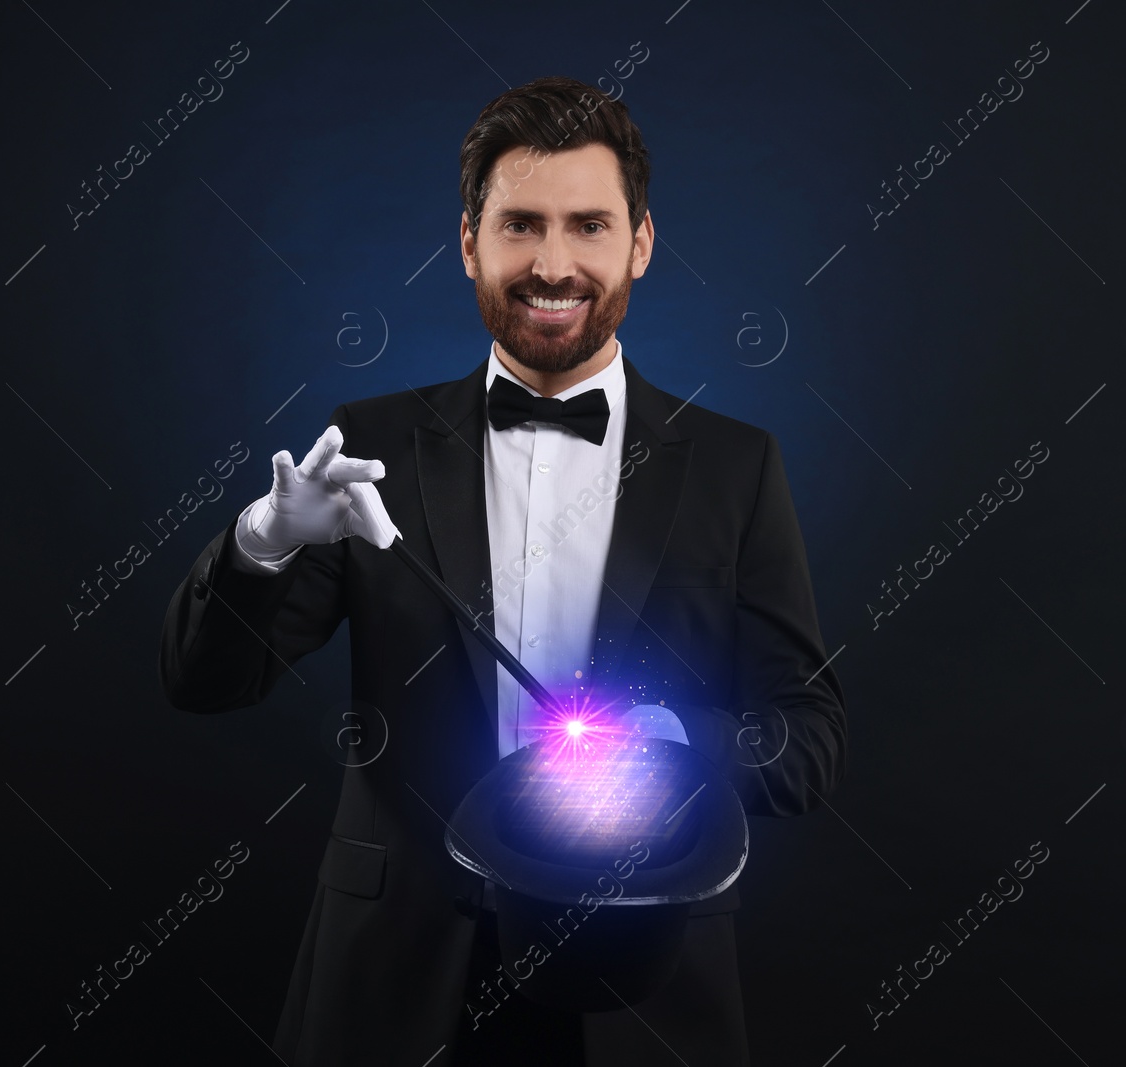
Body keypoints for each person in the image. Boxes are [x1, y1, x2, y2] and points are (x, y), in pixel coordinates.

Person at [159, 74, 846, 1066]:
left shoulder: (738, 465)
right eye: (521, 224)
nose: (554, 264)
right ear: (470, 241)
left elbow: (811, 740)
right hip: (396, 979)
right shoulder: (367, 446)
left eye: (588, 226)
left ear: (639, 244)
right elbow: (204, 682)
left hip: (644, 980)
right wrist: (266, 537)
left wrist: (679, 738)